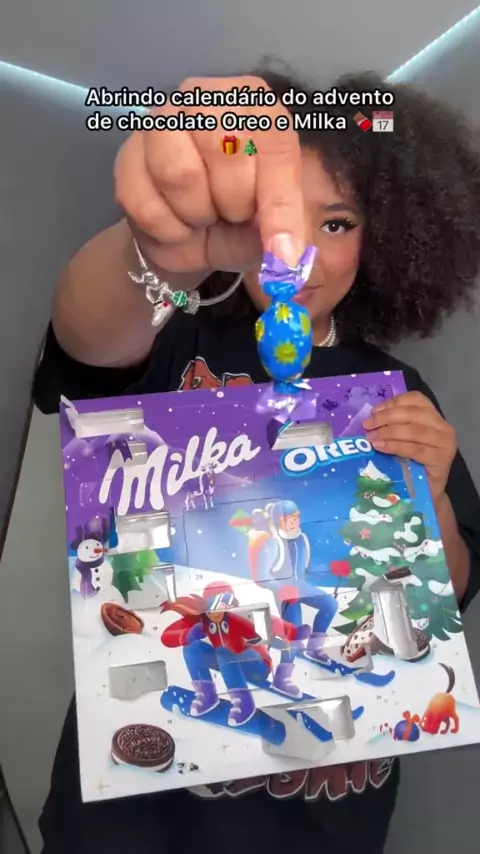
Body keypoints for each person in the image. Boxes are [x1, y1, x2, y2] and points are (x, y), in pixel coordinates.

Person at [33, 68, 480, 854]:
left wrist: (432, 499)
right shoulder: (176, 332)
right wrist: (158, 253)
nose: (296, 254)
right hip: (134, 809)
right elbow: (89, 337)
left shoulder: (397, 390)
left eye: (336, 222)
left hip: (323, 808)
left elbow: (448, 592)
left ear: (385, 238)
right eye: (272, 218)